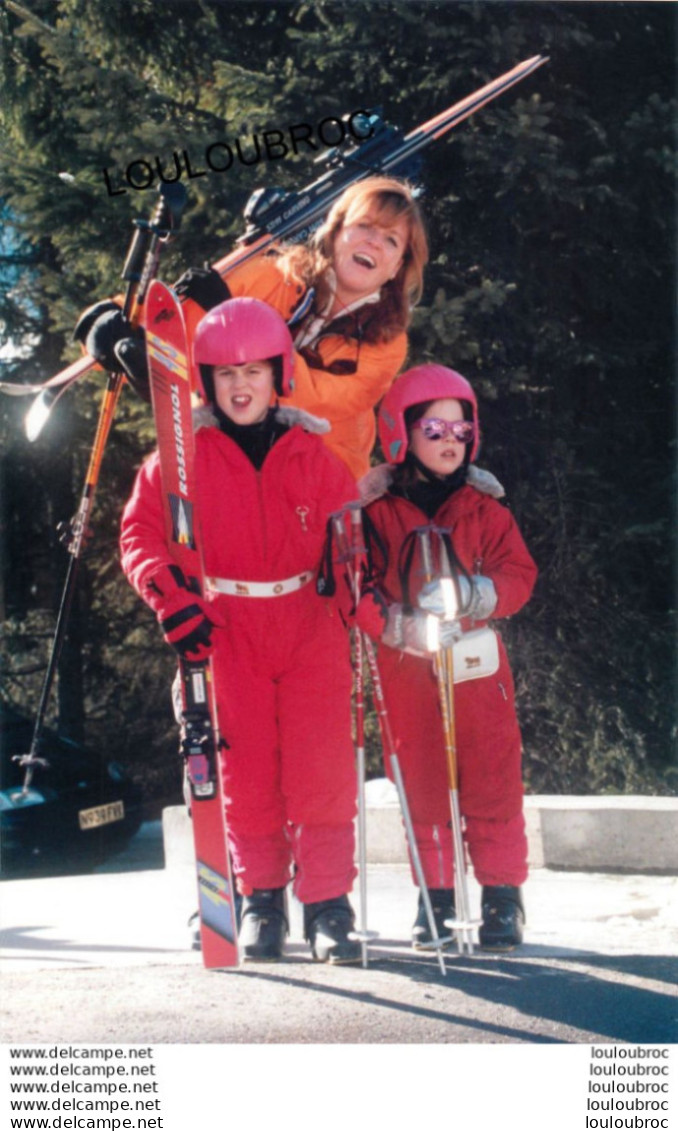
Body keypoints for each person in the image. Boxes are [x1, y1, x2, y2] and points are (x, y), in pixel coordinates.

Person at [119, 296, 362, 965]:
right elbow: (140, 536)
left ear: (278, 371)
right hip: (226, 628)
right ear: (205, 381)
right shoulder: (178, 457)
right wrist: (171, 599)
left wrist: (354, 584)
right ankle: (260, 900)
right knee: (246, 770)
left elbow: (351, 537)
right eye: (225, 374)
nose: (240, 385)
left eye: (253, 369)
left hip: (308, 624)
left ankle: (328, 906)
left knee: (320, 769)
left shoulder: (314, 453)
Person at [354, 364, 537, 951]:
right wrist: (396, 626)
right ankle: (434, 896)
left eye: (460, 430)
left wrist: (483, 595)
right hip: (407, 667)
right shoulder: (376, 513)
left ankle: (502, 895)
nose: (449, 442)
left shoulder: (485, 507)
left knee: (492, 776)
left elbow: (519, 573)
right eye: (434, 429)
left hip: (476, 664)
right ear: (402, 432)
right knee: (423, 781)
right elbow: (355, 587)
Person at [76, 176, 428, 480]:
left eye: (391, 240)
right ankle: (164, 389)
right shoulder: (274, 275)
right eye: (364, 226)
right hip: (237, 456)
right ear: (336, 232)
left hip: (321, 480)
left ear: (397, 268)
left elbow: (316, 402)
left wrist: (237, 324)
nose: (373, 242)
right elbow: (176, 320)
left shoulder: (387, 343)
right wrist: (118, 318)